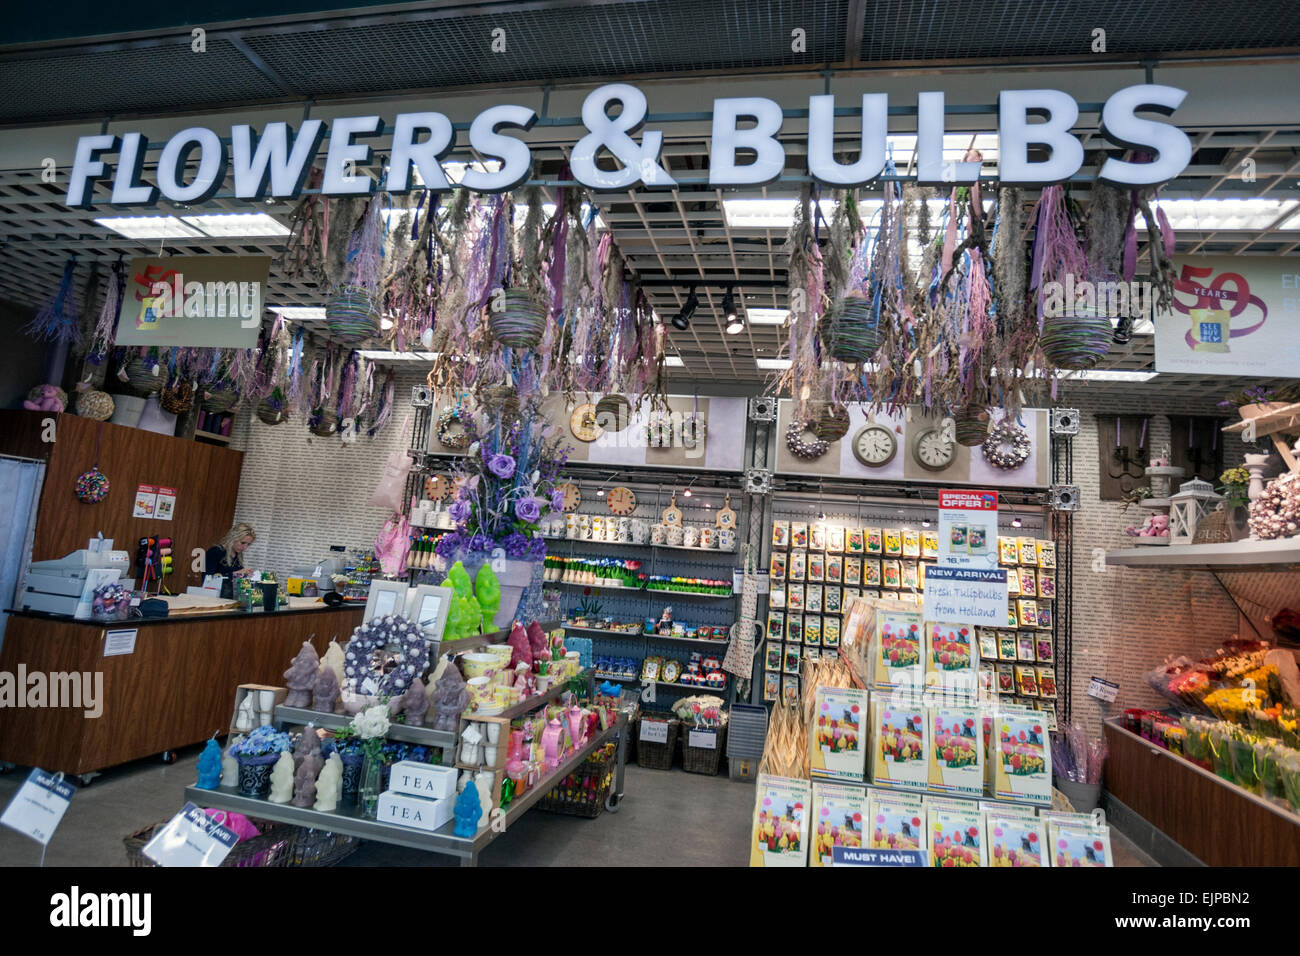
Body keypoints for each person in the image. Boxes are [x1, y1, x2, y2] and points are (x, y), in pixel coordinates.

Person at [206, 523, 256, 596]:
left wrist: (245, 575)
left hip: (229, 597)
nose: (245, 548)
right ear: (233, 538)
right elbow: (207, 579)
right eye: (243, 543)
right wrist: (235, 574)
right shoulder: (214, 551)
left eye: (248, 544)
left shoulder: (238, 555)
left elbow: (234, 580)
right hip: (213, 596)